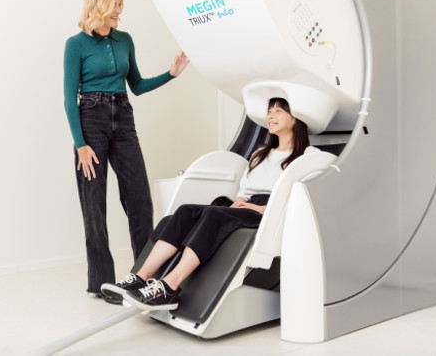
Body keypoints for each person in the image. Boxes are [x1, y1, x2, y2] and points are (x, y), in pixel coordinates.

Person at [102, 98, 314, 311]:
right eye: (269, 111)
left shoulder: (309, 156)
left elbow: (299, 197)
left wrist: (258, 209)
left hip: (270, 211)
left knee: (214, 215)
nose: (271, 116)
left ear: (295, 117)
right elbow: (243, 191)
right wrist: (240, 203)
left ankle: (169, 287)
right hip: (246, 206)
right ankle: (139, 277)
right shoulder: (259, 155)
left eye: (278, 111)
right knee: (185, 211)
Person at [64, 0, 190, 302]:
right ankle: (101, 282)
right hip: (90, 122)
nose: (120, 10)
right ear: (99, 4)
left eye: (121, 4)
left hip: (123, 118)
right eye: (115, 4)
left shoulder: (125, 40)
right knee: (94, 205)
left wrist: (171, 74)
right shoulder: (75, 45)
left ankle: (144, 276)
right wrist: (80, 144)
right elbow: (68, 97)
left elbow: (137, 85)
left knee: (139, 199)